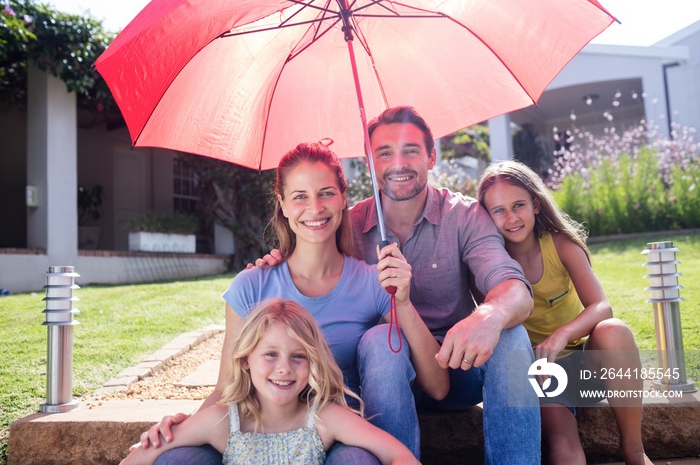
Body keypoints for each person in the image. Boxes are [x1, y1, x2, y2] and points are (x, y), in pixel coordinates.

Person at [256, 106, 541, 463]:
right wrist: (275, 261)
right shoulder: (347, 225)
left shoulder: (464, 216)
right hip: (383, 377)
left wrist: (488, 316)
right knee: (380, 340)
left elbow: (514, 288)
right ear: (371, 162)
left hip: (457, 367)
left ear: (431, 156)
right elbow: (305, 258)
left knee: (511, 334)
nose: (398, 163)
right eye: (385, 153)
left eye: (410, 150)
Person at [138, 142, 447, 464]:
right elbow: (227, 388)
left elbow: (438, 388)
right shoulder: (252, 285)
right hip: (261, 433)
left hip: (339, 433)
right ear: (283, 206)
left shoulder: (376, 281)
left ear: (344, 199)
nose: (314, 208)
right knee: (177, 459)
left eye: (326, 193)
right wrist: (181, 428)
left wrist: (404, 302)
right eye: (300, 196)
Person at [477, 160, 652, 465]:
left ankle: (634, 451)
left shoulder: (560, 245)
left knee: (614, 329)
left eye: (518, 205)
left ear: (535, 204)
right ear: (485, 216)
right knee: (562, 444)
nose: (511, 217)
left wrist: (562, 335)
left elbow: (601, 305)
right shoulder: (487, 264)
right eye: (499, 210)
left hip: (586, 363)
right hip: (542, 376)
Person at [121, 299, 420, 465]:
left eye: (298, 356)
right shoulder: (223, 421)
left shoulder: (324, 418)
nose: (284, 369)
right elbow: (137, 459)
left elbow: (398, 454)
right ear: (244, 360)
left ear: (313, 362)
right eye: (271, 354)